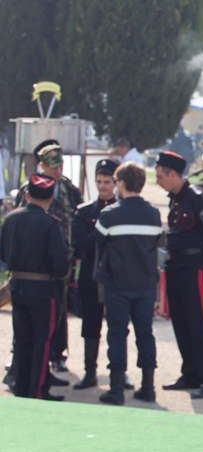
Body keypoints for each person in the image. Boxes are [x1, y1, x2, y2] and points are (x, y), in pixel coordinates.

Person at [155, 152, 203, 399]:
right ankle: (192, 374)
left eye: (160, 176)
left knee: (200, 324)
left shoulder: (197, 197)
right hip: (175, 266)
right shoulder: (175, 198)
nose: (157, 181)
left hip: (193, 266)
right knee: (182, 323)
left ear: (173, 174)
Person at [94, 162, 163, 405]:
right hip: (145, 284)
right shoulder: (153, 213)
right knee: (145, 334)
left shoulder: (109, 214)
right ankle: (148, 387)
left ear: (120, 183)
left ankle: (116, 388)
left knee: (117, 334)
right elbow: (157, 243)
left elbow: (98, 243)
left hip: (118, 284)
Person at [15, 140, 82, 374]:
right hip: (33, 262)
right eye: (53, 167)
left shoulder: (69, 189)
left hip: (61, 259)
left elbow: (78, 221)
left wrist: (75, 255)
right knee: (26, 313)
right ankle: (22, 356)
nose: (58, 171)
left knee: (59, 308)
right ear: (42, 165)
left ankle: (57, 353)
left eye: (60, 166)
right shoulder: (29, 188)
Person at [0, 175, 70, 400]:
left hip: (18, 286)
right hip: (43, 289)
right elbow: (60, 263)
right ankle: (38, 391)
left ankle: (21, 387)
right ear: (50, 199)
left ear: (27, 195)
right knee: (42, 341)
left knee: (22, 340)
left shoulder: (10, 219)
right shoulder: (50, 223)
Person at [72, 159, 120, 390]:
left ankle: (119, 373)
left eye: (107, 182)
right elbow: (79, 243)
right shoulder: (84, 211)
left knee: (117, 326)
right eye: (99, 182)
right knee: (90, 325)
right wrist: (101, 236)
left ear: (116, 183)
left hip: (116, 277)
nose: (102, 186)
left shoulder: (123, 210)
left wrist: (95, 237)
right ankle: (89, 370)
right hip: (91, 277)